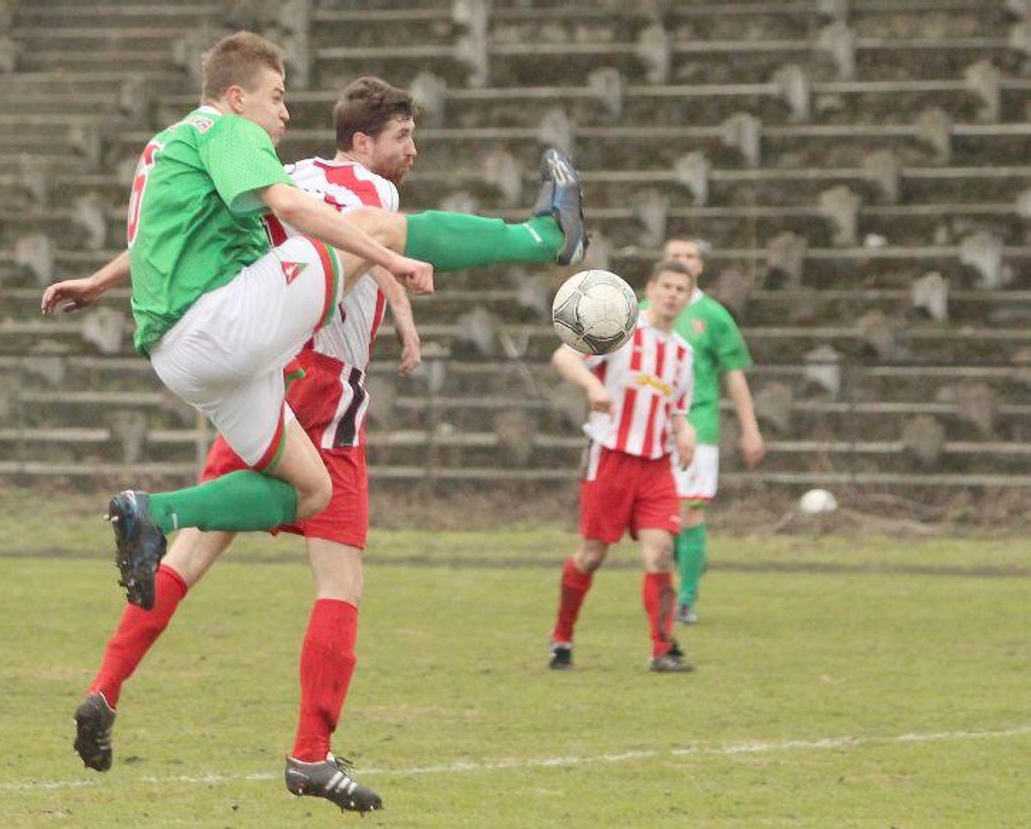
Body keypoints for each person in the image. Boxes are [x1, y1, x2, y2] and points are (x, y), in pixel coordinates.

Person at [42, 61, 586, 812]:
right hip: (325, 388)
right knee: (340, 579)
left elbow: (258, 230)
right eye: (403, 137)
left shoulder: (274, 167)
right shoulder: (367, 188)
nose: (412, 152)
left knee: (192, 550)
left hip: (262, 365)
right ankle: (310, 752)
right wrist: (395, 271)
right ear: (362, 142)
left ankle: (104, 686)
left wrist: (100, 282)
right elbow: (367, 230)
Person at [547, 260, 697, 674]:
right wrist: (593, 385)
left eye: (680, 289)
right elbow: (564, 356)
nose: (672, 295)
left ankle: (662, 648)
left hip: (656, 464)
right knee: (592, 554)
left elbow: (678, 408)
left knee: (660, 552)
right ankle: (561, 637)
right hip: (611, 456)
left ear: (688, 297)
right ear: (651, 288)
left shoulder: (683, 352)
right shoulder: (620, 330)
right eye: (665, 286)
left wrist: (685, 431)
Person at [661, 237, 765, 626]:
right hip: (654, 426)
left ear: (700, 267)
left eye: (689, 257)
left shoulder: (714, 316)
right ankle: (692, 559)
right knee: (658, 518)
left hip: (699, 423)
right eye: (675, 256)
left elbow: (734, 377)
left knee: (689, 510)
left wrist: (750, 429)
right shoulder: (639, 312)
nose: (683, 262)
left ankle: (685, 599)